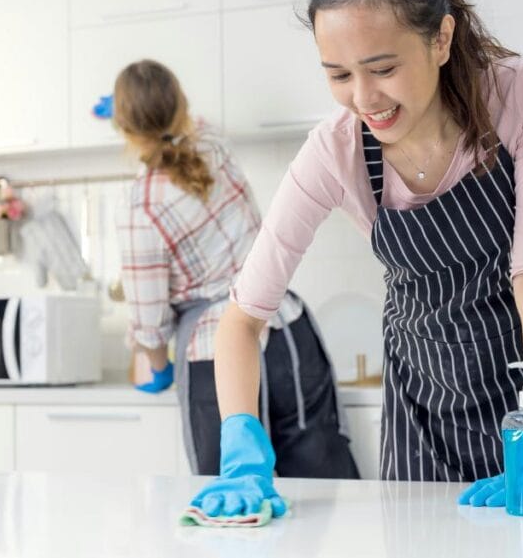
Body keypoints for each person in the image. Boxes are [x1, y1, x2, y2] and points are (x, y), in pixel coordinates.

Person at [188, 0, 523, 519]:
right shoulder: (333, 153)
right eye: (339, 75)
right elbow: (241, 320)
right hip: (423, 407)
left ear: (440, 39)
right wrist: (241, 449)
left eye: (383, 69)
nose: (364, 99)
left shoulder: (517, 96)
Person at [111, 59, 360, 480]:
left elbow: (149, 324)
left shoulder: (140, 205)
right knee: (326, 488)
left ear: (125, 129)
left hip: (215, 359)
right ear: (182, 105)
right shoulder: (213, 144)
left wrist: (159, 368)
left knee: (235, 503)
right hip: (287, 329)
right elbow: (189, 125)